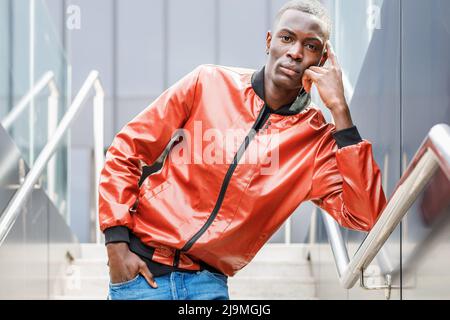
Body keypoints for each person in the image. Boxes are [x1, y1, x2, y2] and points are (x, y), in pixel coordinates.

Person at [99, 0, 387, 300]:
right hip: (142, 273)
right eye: (287, 38)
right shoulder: (207, 83)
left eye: (310, 46)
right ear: (269, 42)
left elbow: (365, 215)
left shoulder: (316, 143)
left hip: (208, 285)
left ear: (322, 59)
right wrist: (116, 244)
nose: (295, 52)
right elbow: (127, 149)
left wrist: (340, 112)